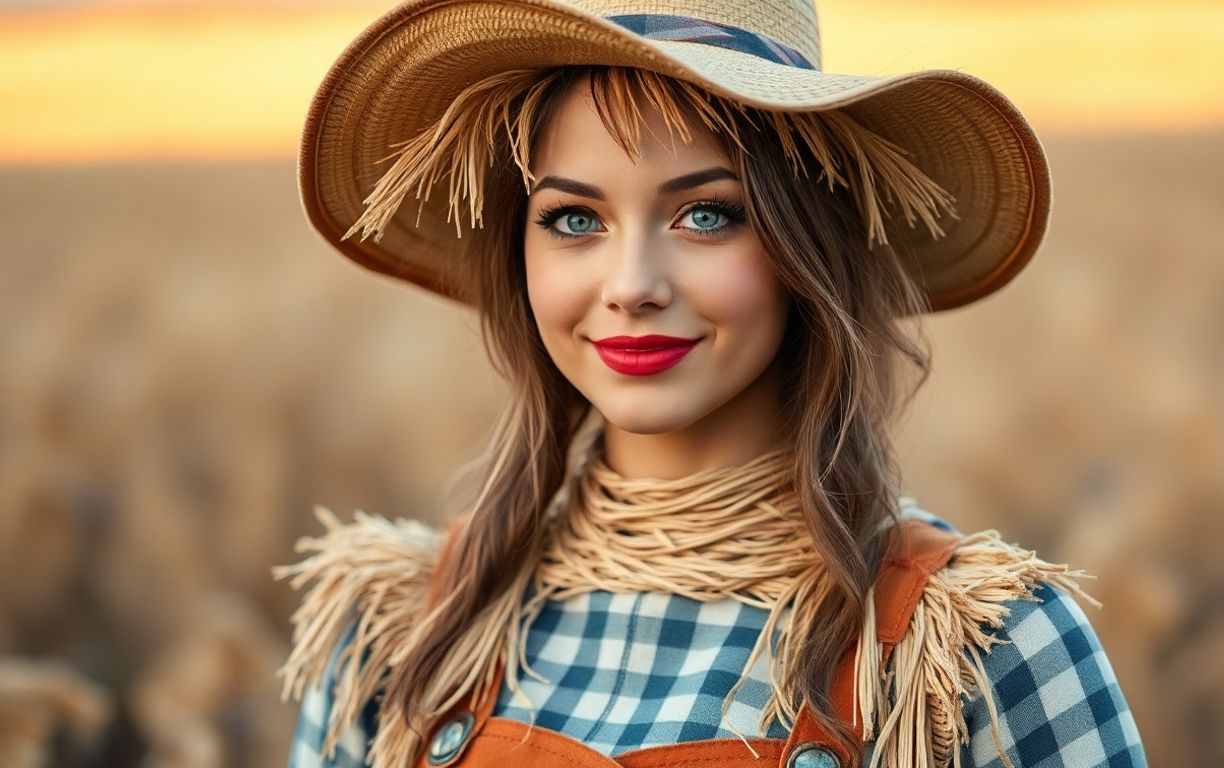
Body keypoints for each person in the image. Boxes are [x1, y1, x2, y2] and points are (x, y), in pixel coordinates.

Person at [273, 2, 1148, 767]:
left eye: (706, 214)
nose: (630, 284)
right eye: (574, 219)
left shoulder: (977, 652)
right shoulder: (398, 638)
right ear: (520, 252)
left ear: (809, 245)